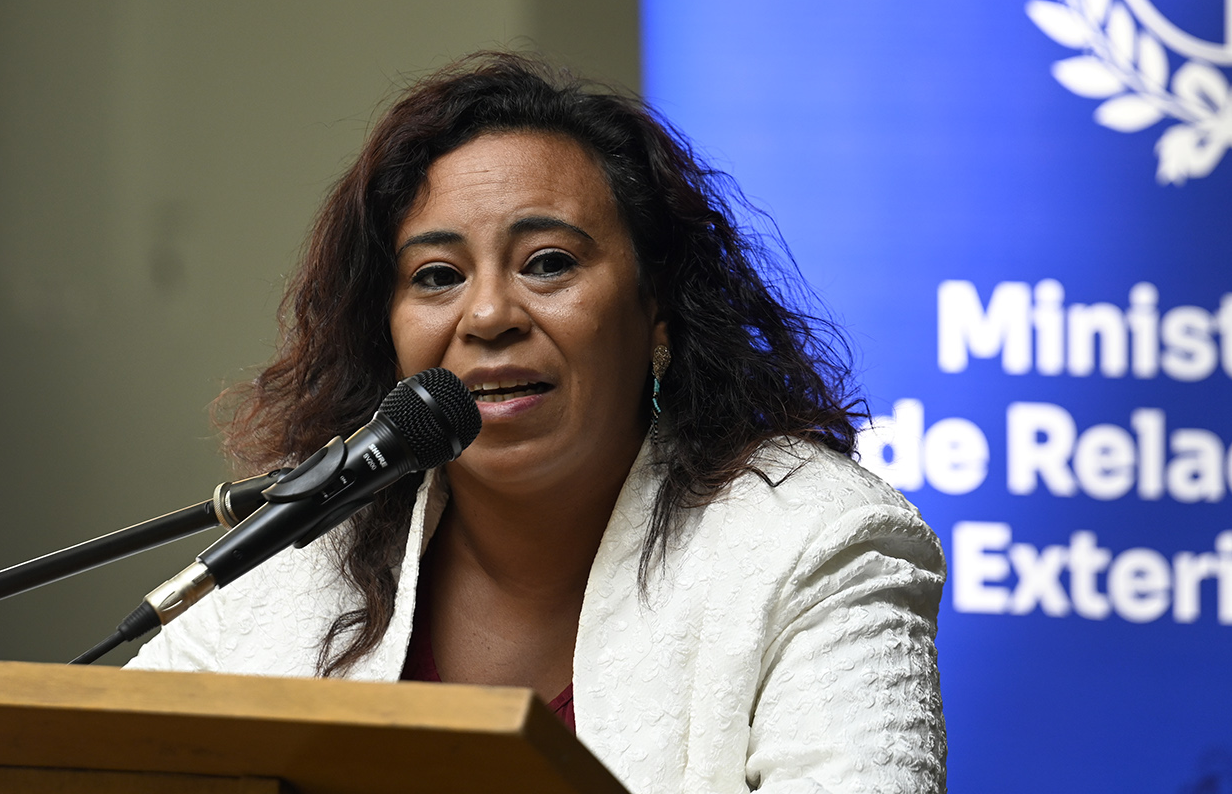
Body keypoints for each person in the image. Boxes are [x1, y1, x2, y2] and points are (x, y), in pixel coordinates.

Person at [129, 54, 946, 792]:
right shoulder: (302, 553)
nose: (488, 315)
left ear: (658, 309)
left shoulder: (814, 543)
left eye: (548, 263)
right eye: (437, 275)